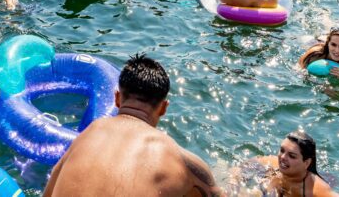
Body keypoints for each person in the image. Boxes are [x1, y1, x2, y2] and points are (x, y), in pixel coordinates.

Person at [43, 54, 221, 197]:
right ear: (164, 108)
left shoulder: (88, 134)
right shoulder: (182, 161)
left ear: (117, 98)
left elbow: (48, 193)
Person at [249, 132, 339, 196]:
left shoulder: (315, 190)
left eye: (292, 156)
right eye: (282, 150)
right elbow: (245, 166)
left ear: (306, 162)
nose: (283, 157)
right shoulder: (273, 164)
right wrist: (234, 185)